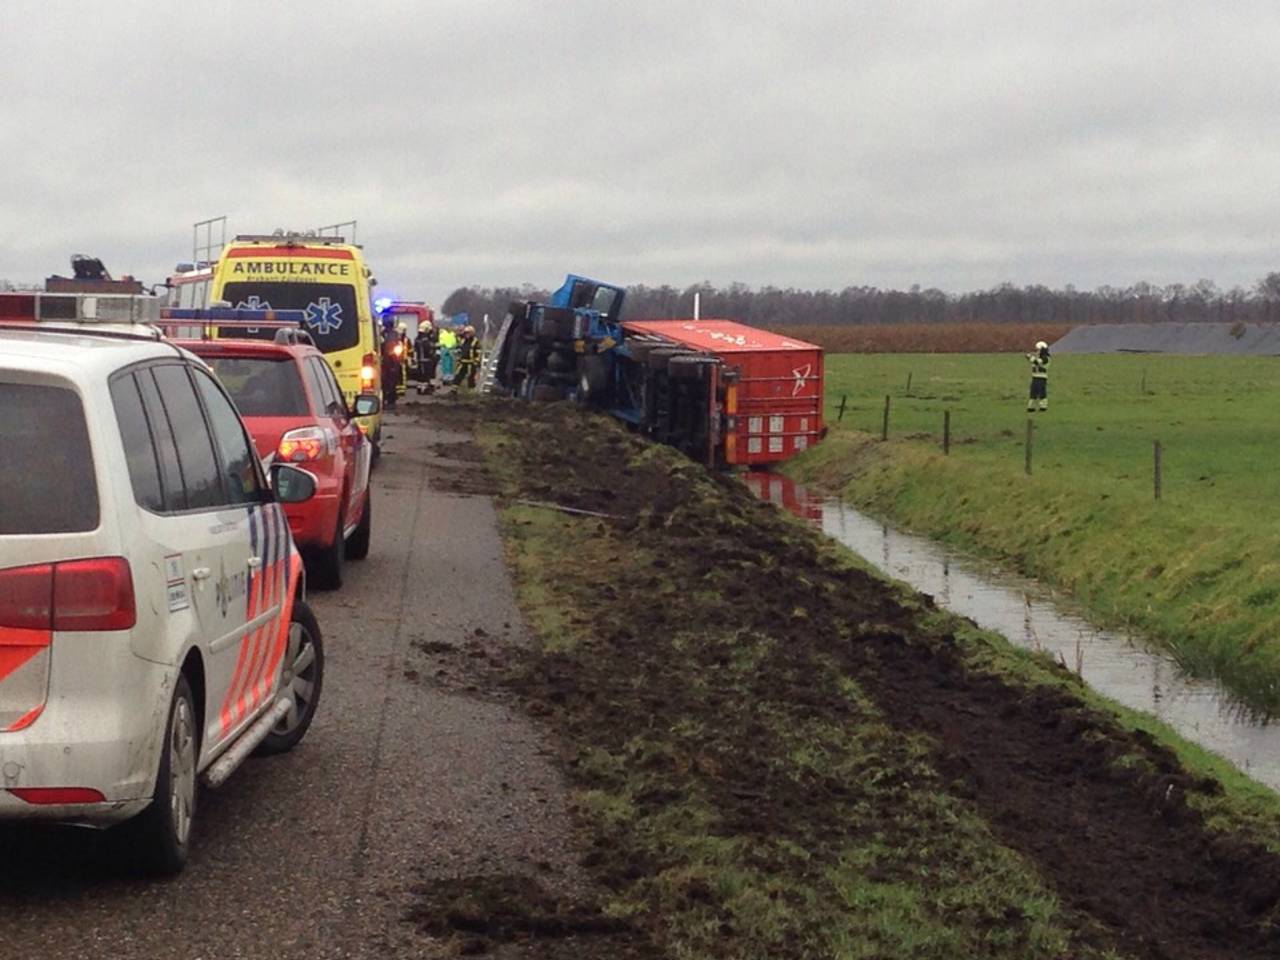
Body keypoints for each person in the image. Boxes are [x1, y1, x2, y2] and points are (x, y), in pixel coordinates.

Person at [381, 329, 404, 410]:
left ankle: (391, 400)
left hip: (392, 362)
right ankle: (386, 399)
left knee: (392, 381)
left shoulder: (393, 335)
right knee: (385, 382)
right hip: (385, 362)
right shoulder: (383, 335)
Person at [1026, 340, 1050, 412]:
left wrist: (1030, 357)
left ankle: (1043, 406)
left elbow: (1037, 362)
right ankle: (1031, 407)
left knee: (1042, 392)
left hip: (1042, 378)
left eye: (1038, 350)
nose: (1037, 351)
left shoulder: (1046, 358)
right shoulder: (1038, 357)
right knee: (1033, 392)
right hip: (1035, 377)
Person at [456, 325, 481, 389]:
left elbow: (478, 352)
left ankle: (470, 390)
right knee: (458, 375)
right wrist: (458, 359)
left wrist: (476, 362)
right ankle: (454, 389)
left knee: (470, 376)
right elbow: (460, 350)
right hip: (463, 362)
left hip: (471, 362)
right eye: (466, 333)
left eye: (468, 333)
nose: (467, 335)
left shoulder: (475, 341)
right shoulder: (463, 340)